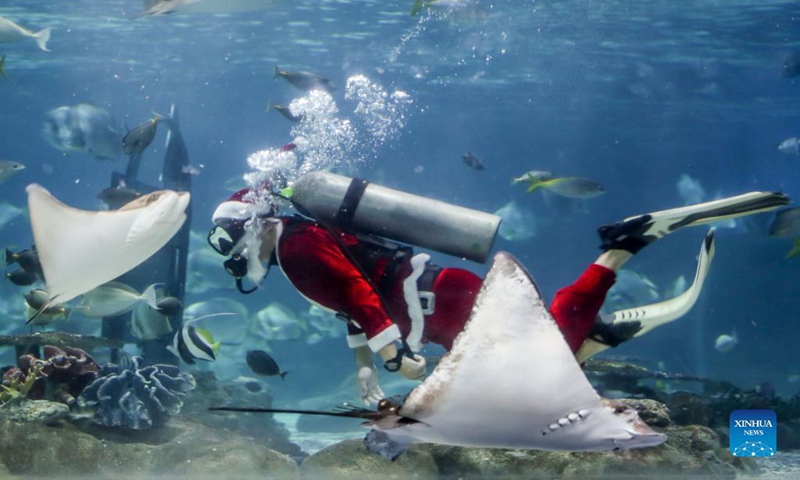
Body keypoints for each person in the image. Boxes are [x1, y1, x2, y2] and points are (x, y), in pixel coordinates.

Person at [208, 182, 787, 405]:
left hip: (441, 302)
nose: (242, 264)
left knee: (542, 358)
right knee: (540, 366)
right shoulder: (301, 242)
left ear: (256, 228)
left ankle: (620, 248)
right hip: (438, 300)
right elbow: (353, 296)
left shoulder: (297, 249)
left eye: (238, 251)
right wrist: (366, 366)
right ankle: (599, 332)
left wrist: (392, 358)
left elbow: (359, 292)